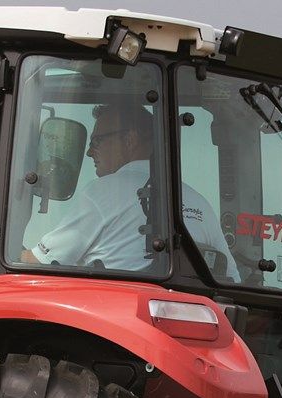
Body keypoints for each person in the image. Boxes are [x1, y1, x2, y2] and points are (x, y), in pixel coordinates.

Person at [20, 101, 236, 276]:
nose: (89, 153)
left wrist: (7, 253)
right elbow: (230, 277)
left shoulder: (103, 192)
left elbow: (39, 263)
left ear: (130, 140)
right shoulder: (199, 203)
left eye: (96, 141)